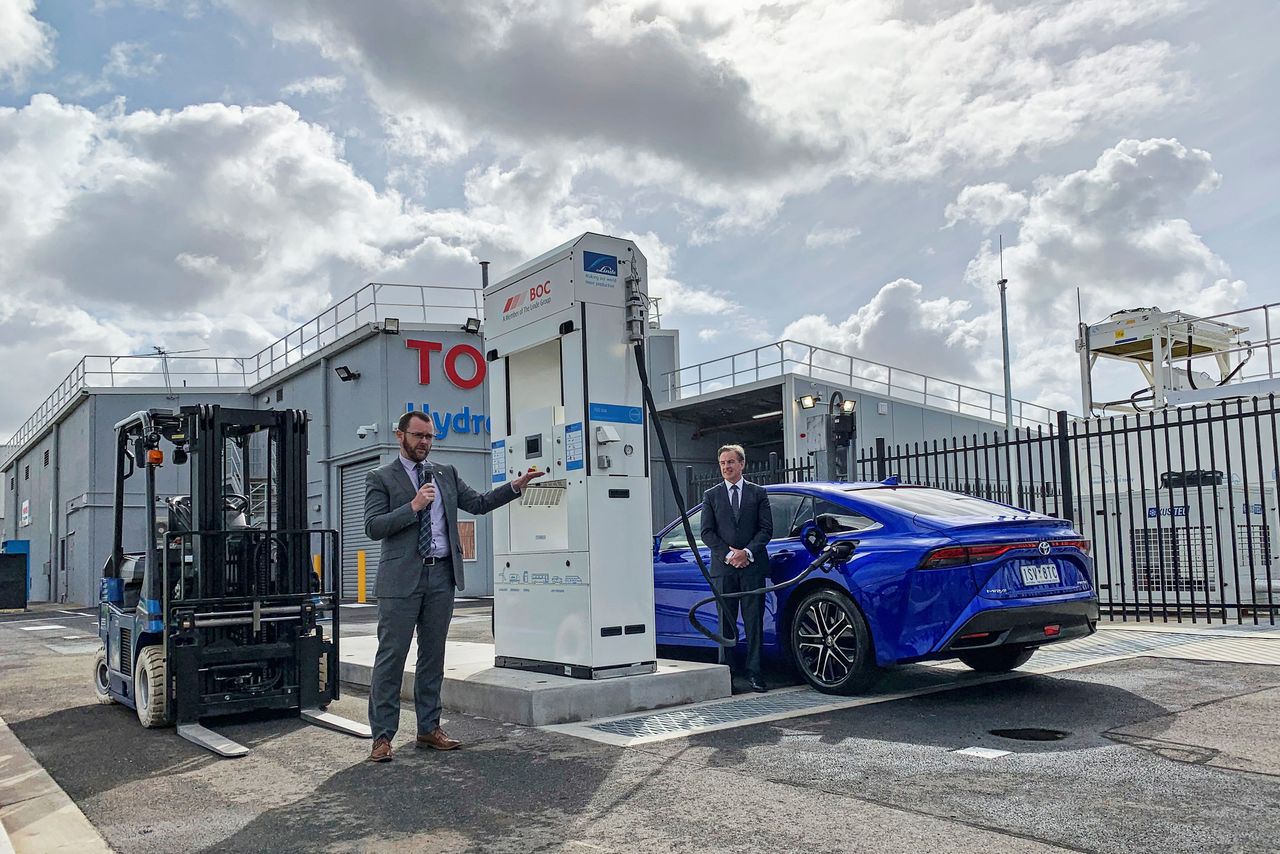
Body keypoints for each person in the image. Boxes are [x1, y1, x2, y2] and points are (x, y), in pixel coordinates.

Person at [364, 410, 543, 762]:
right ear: (400, 436)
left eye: (429, 436)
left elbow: (478, 503)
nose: (424, 442)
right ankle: (382, 737)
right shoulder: (380, 477)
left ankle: (429, 728)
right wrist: (413, 506)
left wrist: (515, 487)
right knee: (391, 658)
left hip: (441, 577)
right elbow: (373, 526)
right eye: (418, 435)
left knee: (433, 658)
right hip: (400, 581)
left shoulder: (445, 473)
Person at [699, 444, 773, 693]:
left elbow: (766, 529)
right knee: (725, 623)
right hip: (724, 568)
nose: (726, 467)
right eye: (722, 463)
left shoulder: (758, 493)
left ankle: (755, 672)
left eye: (730, 462)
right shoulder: (711, 495)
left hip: (752, 567)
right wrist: (730, 555)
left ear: (742, 464)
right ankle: (727, 674)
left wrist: (747, 553)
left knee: (754, 622)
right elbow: (706, 532)